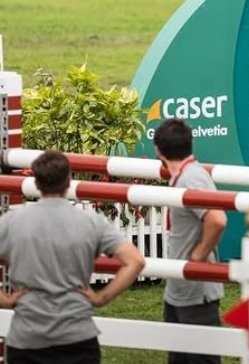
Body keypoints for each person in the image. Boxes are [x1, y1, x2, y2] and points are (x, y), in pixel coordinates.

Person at [0, 150, 144, 364]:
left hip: (27, 338)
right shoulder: (90, 222)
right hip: (77, 337)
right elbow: (135, 261)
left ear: (36, 183)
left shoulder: (11, 222)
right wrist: (101, 298)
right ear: (69, 181)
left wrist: (6, 300)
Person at [153, 119, 226, 364]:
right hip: (180, 288)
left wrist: (199, 255)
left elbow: (217, 219)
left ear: (159, 150)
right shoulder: (187, 176)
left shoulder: (190, 179)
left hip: (196, 290)